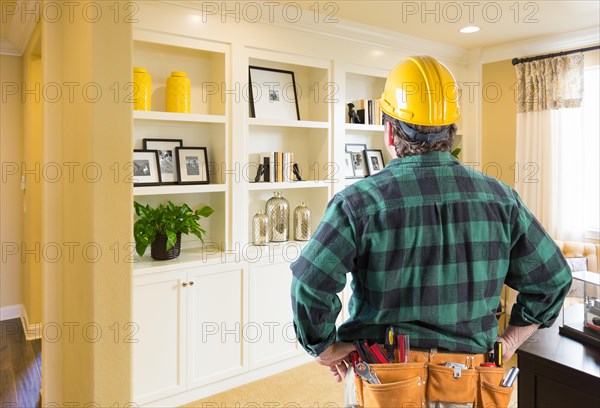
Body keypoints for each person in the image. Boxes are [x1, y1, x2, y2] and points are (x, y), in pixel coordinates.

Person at [290, 56, 572, 401]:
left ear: (391, 130)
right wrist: (509, 340)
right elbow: (554, 279)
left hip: (384, 381)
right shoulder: (501, 199)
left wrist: (323, 346)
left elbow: (310, 281)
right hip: (470, 381)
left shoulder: (358, 203)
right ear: (451, 131)